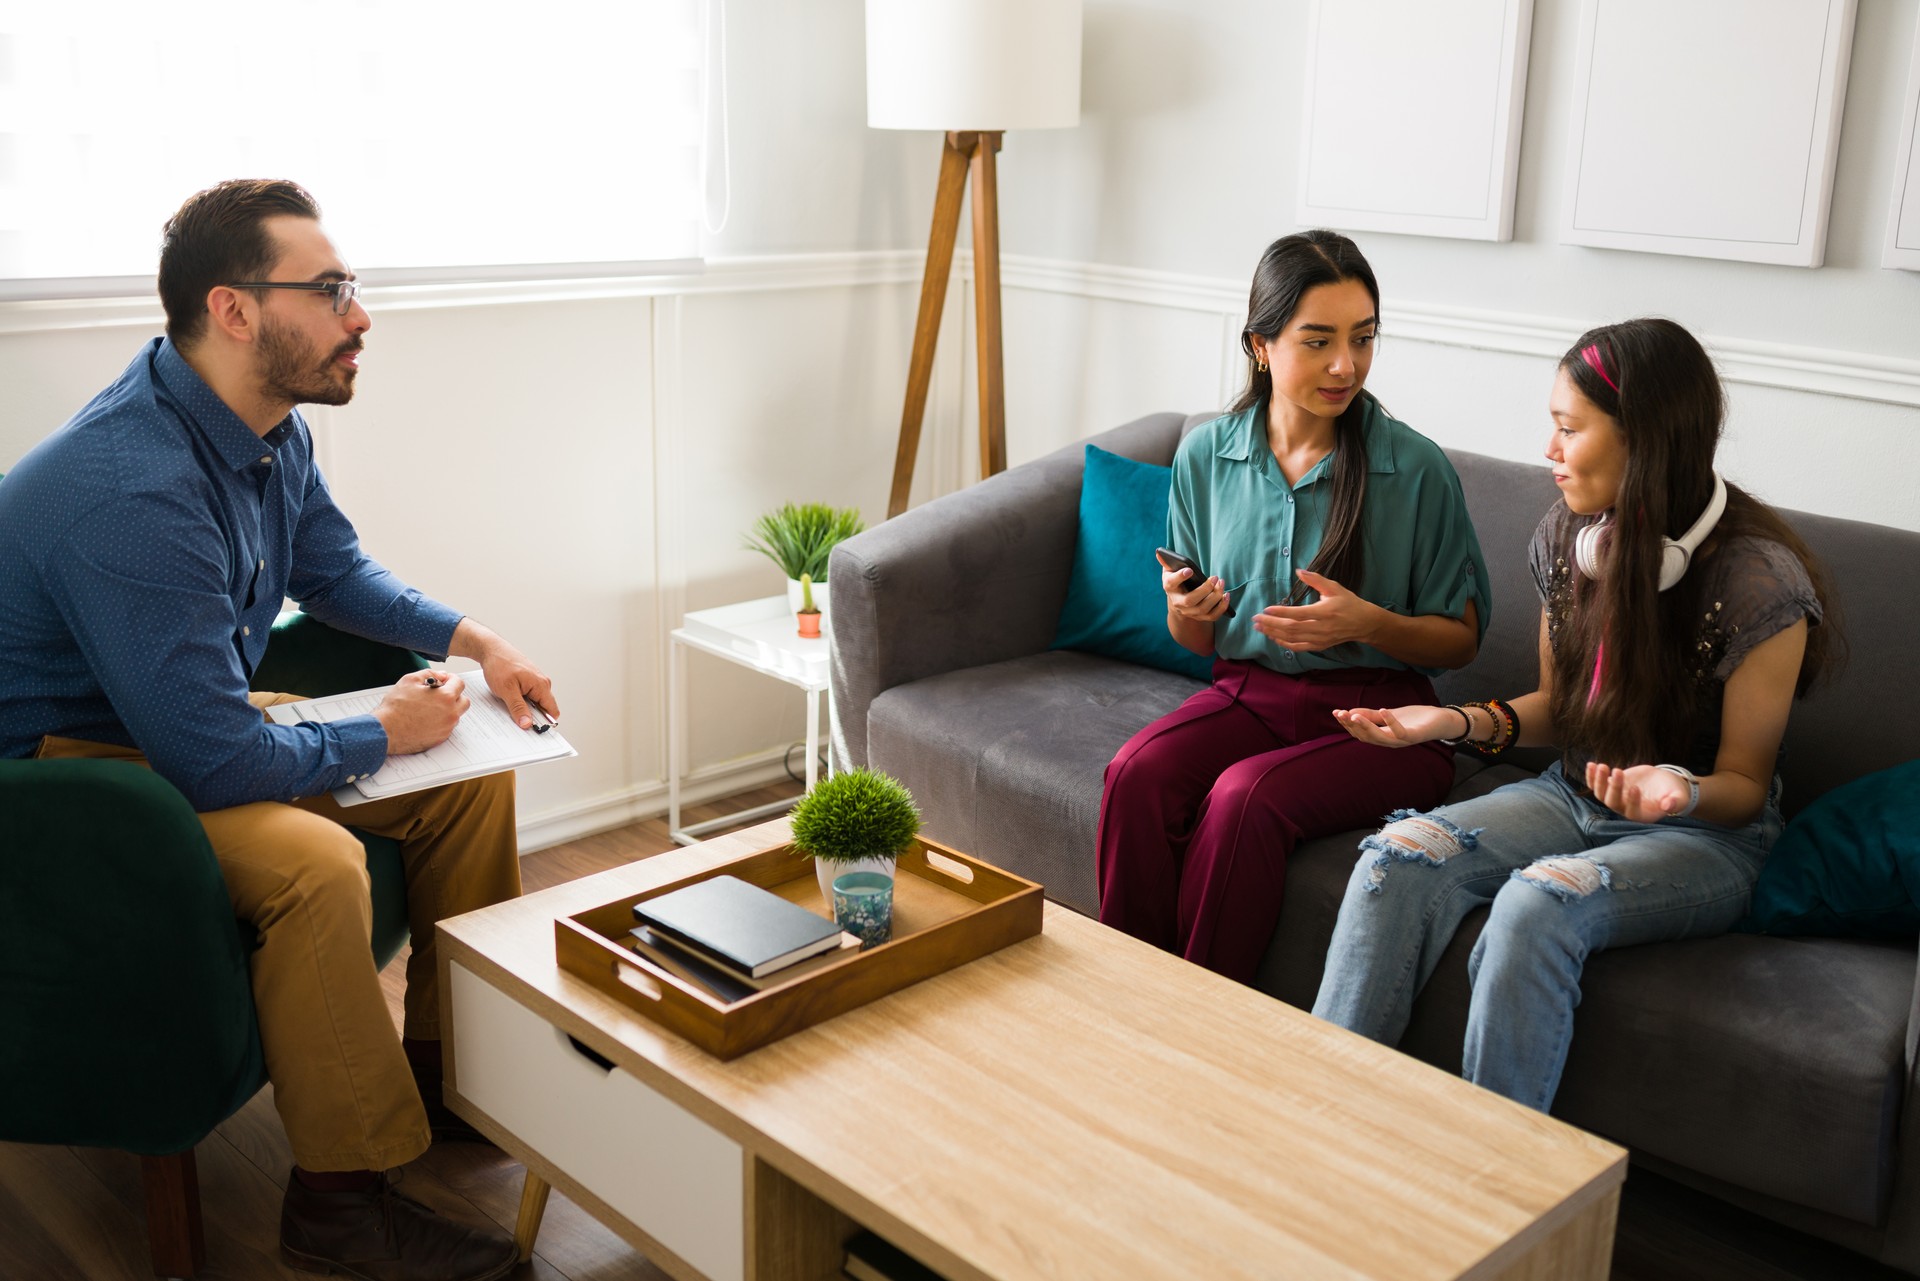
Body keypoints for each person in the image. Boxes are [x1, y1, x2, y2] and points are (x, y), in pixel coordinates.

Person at [0, 179, 553, 1280]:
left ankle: (458, 1078)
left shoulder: (264, 427)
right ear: (237, 310)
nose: (360, 315)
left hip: (153, 715)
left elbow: (335, 572)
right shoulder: (130, 486)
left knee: (467, 770)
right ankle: (338, 1209)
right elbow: (208, 761)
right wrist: (378, 732)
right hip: (60, 791)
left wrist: (474, 641)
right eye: (333, 289)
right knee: (312, 863)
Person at [1312, 316, 1840, 1113]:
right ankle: (1323, 1129)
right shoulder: (1568, 538)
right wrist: (1446, 723)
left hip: (1708, 837)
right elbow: (1563, 711)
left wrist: (1679, 791)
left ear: (1646, 439)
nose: (1549, 451)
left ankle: (1489, 1191)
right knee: (1398, 857)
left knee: (1537, 903)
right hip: (1572, 795)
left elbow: (1740, 782)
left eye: (1568, 428)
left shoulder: (1760, 583)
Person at [1095, 230, 1491, 983]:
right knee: (1135, 773)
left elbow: (1461, 641)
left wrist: (1367, 622)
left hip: (1385, 718)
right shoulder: (1206, 456)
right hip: (1248, 693)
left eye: (1363, 339)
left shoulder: (1417, 469)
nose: (1347, 365)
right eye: (1319, 341)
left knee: (1244, 799)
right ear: (1260, 345)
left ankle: (1204, 1023)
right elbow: (1193, 637)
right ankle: (1130, 998)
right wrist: (1189, 607)